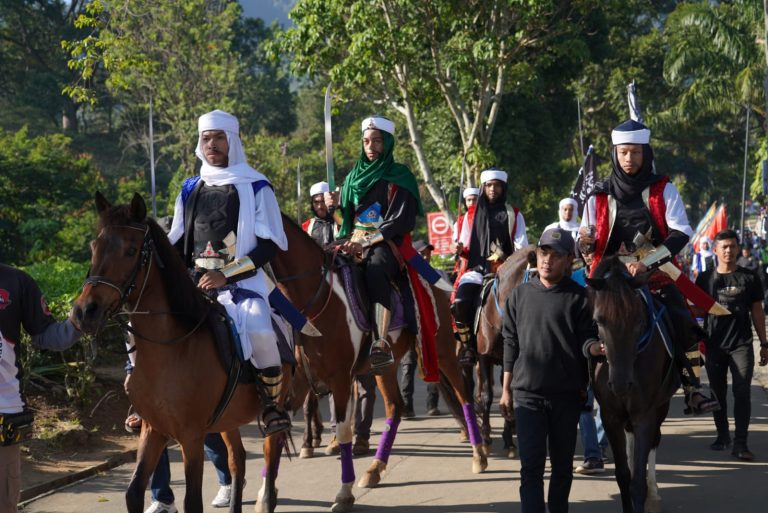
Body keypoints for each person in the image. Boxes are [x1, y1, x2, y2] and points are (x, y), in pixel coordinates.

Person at [577, 119, 718, 415]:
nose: (630, 159)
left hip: (654, 274)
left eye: (636, 153)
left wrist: (646, 264)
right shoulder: (597, 194)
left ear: (646, 153)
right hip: (608, 279)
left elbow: (682, 232)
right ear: (616, 153)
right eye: (624, 152)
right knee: (576, 320)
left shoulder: (663, 189)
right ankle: (576, 385)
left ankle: (693, 387)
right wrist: (584, 242)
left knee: (684, 321)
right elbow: (586, 243)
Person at [166, 109, 290, 435]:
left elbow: (268, 246)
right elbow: (177, 243)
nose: (212, 144)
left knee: (262, 331)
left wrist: (227, 275)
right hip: (195, 286)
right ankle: (146, 402)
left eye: (219, 137)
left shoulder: (257, 186)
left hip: (244, 284)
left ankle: (272, 407)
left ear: (232, 141)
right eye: (206, 138)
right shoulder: (189, 189)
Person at [499, 228, 596, 513]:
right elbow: (510, 343)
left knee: (562, 468)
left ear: (568, 260)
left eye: (555, 255)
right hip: (527, 396)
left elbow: (586, 339)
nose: (547, 260)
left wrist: (594, 349)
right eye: (543, 253)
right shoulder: (519, 296)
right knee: (530, 468)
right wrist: (505, 390)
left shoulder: (580, 298)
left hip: (566, 396)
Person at [326, 115, 423, 371]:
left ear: (388, 143)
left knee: (376, 268)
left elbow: (399, 221)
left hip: (385, 243)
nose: (371, 147)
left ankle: (380, 343)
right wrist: (333, 209)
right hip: (350, 240)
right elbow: (345, 222)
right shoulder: (351, 179)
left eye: (377, 141)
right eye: (367, 141)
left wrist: (365, 243)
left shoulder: (400, 176)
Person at [300, 185, 376, 456]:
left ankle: (372, 334)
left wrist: (337, 211)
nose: (320, 204)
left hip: (345, 272)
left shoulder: (342, 215)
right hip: (319, 286)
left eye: (324, 200)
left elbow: (352, 237)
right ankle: (335, 433)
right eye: (316, 201)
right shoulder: (307, 227)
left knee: (365, 289)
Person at [1, 263, 82, 513]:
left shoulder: (16, 281)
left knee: (4, 501)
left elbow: (48, 334)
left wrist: (80, 320)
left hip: (4, 409)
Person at [695, 229, 768, 461]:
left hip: (741, 344)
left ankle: (741, 443)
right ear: (715, 250)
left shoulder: (750, 277)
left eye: (732, 246)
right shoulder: (704, 279)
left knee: (742, 391)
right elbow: (697, 311)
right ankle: (722, 435)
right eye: (724, 246)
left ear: (738, 248)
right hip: (714, 344)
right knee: (717, 393)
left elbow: (757, 312)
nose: (728, 250)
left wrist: (765, 343)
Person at [452, 168, 528, 365]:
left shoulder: (515, 214)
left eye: (497, 185)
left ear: (503, 187)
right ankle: (468, 347)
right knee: (459, 302)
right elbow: (465, 246)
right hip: (477, 269)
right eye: (488, 186)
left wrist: (510, 264)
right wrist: (459, 248)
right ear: (483, 188)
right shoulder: (470, 216)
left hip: (508, 272)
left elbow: (522, 248)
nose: (493, 189)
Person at [399, 240, 442, 418]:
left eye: (428, 253)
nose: (426, 256)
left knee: (434, 363)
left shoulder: (437, 275)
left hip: (433, 328)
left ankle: (432, 405)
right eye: (422, 253)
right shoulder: (407, 277)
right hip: (413, 327)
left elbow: (447, 297)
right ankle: (407, 406)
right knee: (408, 366)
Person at [302, 181, 339, 245]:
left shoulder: (342, 223)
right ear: (312, 204)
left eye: (323, 201)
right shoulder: (306, 226)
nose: (320, 206)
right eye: (316, 202)